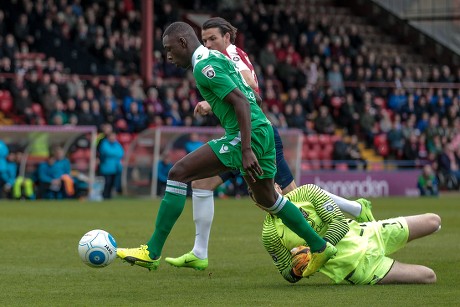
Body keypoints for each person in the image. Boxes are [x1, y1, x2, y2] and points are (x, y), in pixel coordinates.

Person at [117, 21, 336, 277]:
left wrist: (245, 149)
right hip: (262, 129)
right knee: (269, 199)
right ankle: (321, 247)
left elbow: (242, 102)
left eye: (169, 49)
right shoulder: (216, 58)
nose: (167, 56)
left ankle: (152, 252)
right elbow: (253, 95)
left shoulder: (204, 66)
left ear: (183, 43)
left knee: (178, 173)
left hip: (248, 135)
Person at [164, 17, 373, 271]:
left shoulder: (231, 54)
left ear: (227, 38)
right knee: (202, 183)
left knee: (292, 196)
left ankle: (350, 212)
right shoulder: (210, 59)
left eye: (213, 39)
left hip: (255, 135)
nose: (207, 44)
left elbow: (249, 87)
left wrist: (214, 101)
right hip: (239, 137)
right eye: (205, 39)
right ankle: (199, 251)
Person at [262, 183, 439, 285]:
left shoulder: (307, 191)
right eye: (259, 196)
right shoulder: (269, 233)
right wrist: (298, 269)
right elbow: (286, 272)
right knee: (429, 276)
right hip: (359, 268)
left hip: (369, 233)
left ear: (278, 186)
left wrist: (319, 251)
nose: (267, 195)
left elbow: (339, 223)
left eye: (270, 187)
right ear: (258, 204)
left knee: (434, 221)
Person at [98, 132, 124, 199]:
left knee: (113, 184)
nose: (113, 138)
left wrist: (113, 154)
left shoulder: (117, 144)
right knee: (107, 183)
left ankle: (109, 197)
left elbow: (121, 153)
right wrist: (115, 154)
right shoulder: (104, 144)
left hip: (116, 168)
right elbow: (107, 152)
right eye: (112, 136)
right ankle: (104, 196)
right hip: (106, 168)